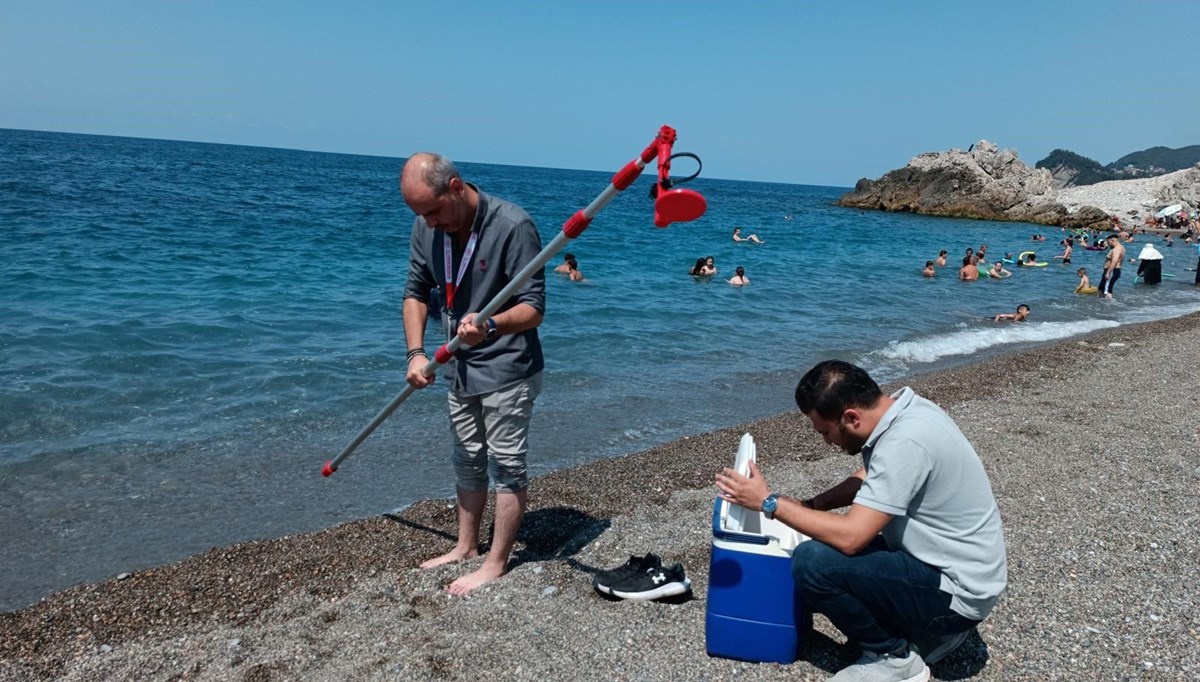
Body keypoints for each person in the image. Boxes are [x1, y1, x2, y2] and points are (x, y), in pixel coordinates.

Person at [715, 361, 1006, 682]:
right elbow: (871, 474)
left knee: (813, 562)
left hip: (957, 596)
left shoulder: (905, 443)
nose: (827, 442)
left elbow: (852, 537)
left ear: (852, 417)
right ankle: (926, 633)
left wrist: (769, 503)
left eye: (826, 432)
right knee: (817, 542)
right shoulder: (906, 409)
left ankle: (895, 658)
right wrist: (812, 505)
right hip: (959, 570)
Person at [399, 152, 546, 596]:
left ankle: (496, 563)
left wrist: (493, 323)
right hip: (456, 366)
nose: (428, 222)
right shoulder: (428, 226)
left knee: (506, 466)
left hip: (507, 367)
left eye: (433, 210)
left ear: (456, 188)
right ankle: (466, 546)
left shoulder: (513, 225)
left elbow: (535, 308)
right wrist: (414, 353)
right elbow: (414, 293)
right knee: (466, 459)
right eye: (420, 214)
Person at [1100, 234, 1125, 299]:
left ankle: (1107, 306)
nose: (1108, 244)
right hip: (1114, 270)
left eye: (1109, 242)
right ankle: (1104, 305)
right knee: (1106, 289)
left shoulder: (1116, 249)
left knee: (1107, 291)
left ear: (1113, 240)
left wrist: (1108, 273)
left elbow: (1114, 261)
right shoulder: (1121, 247)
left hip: (1111, 271)